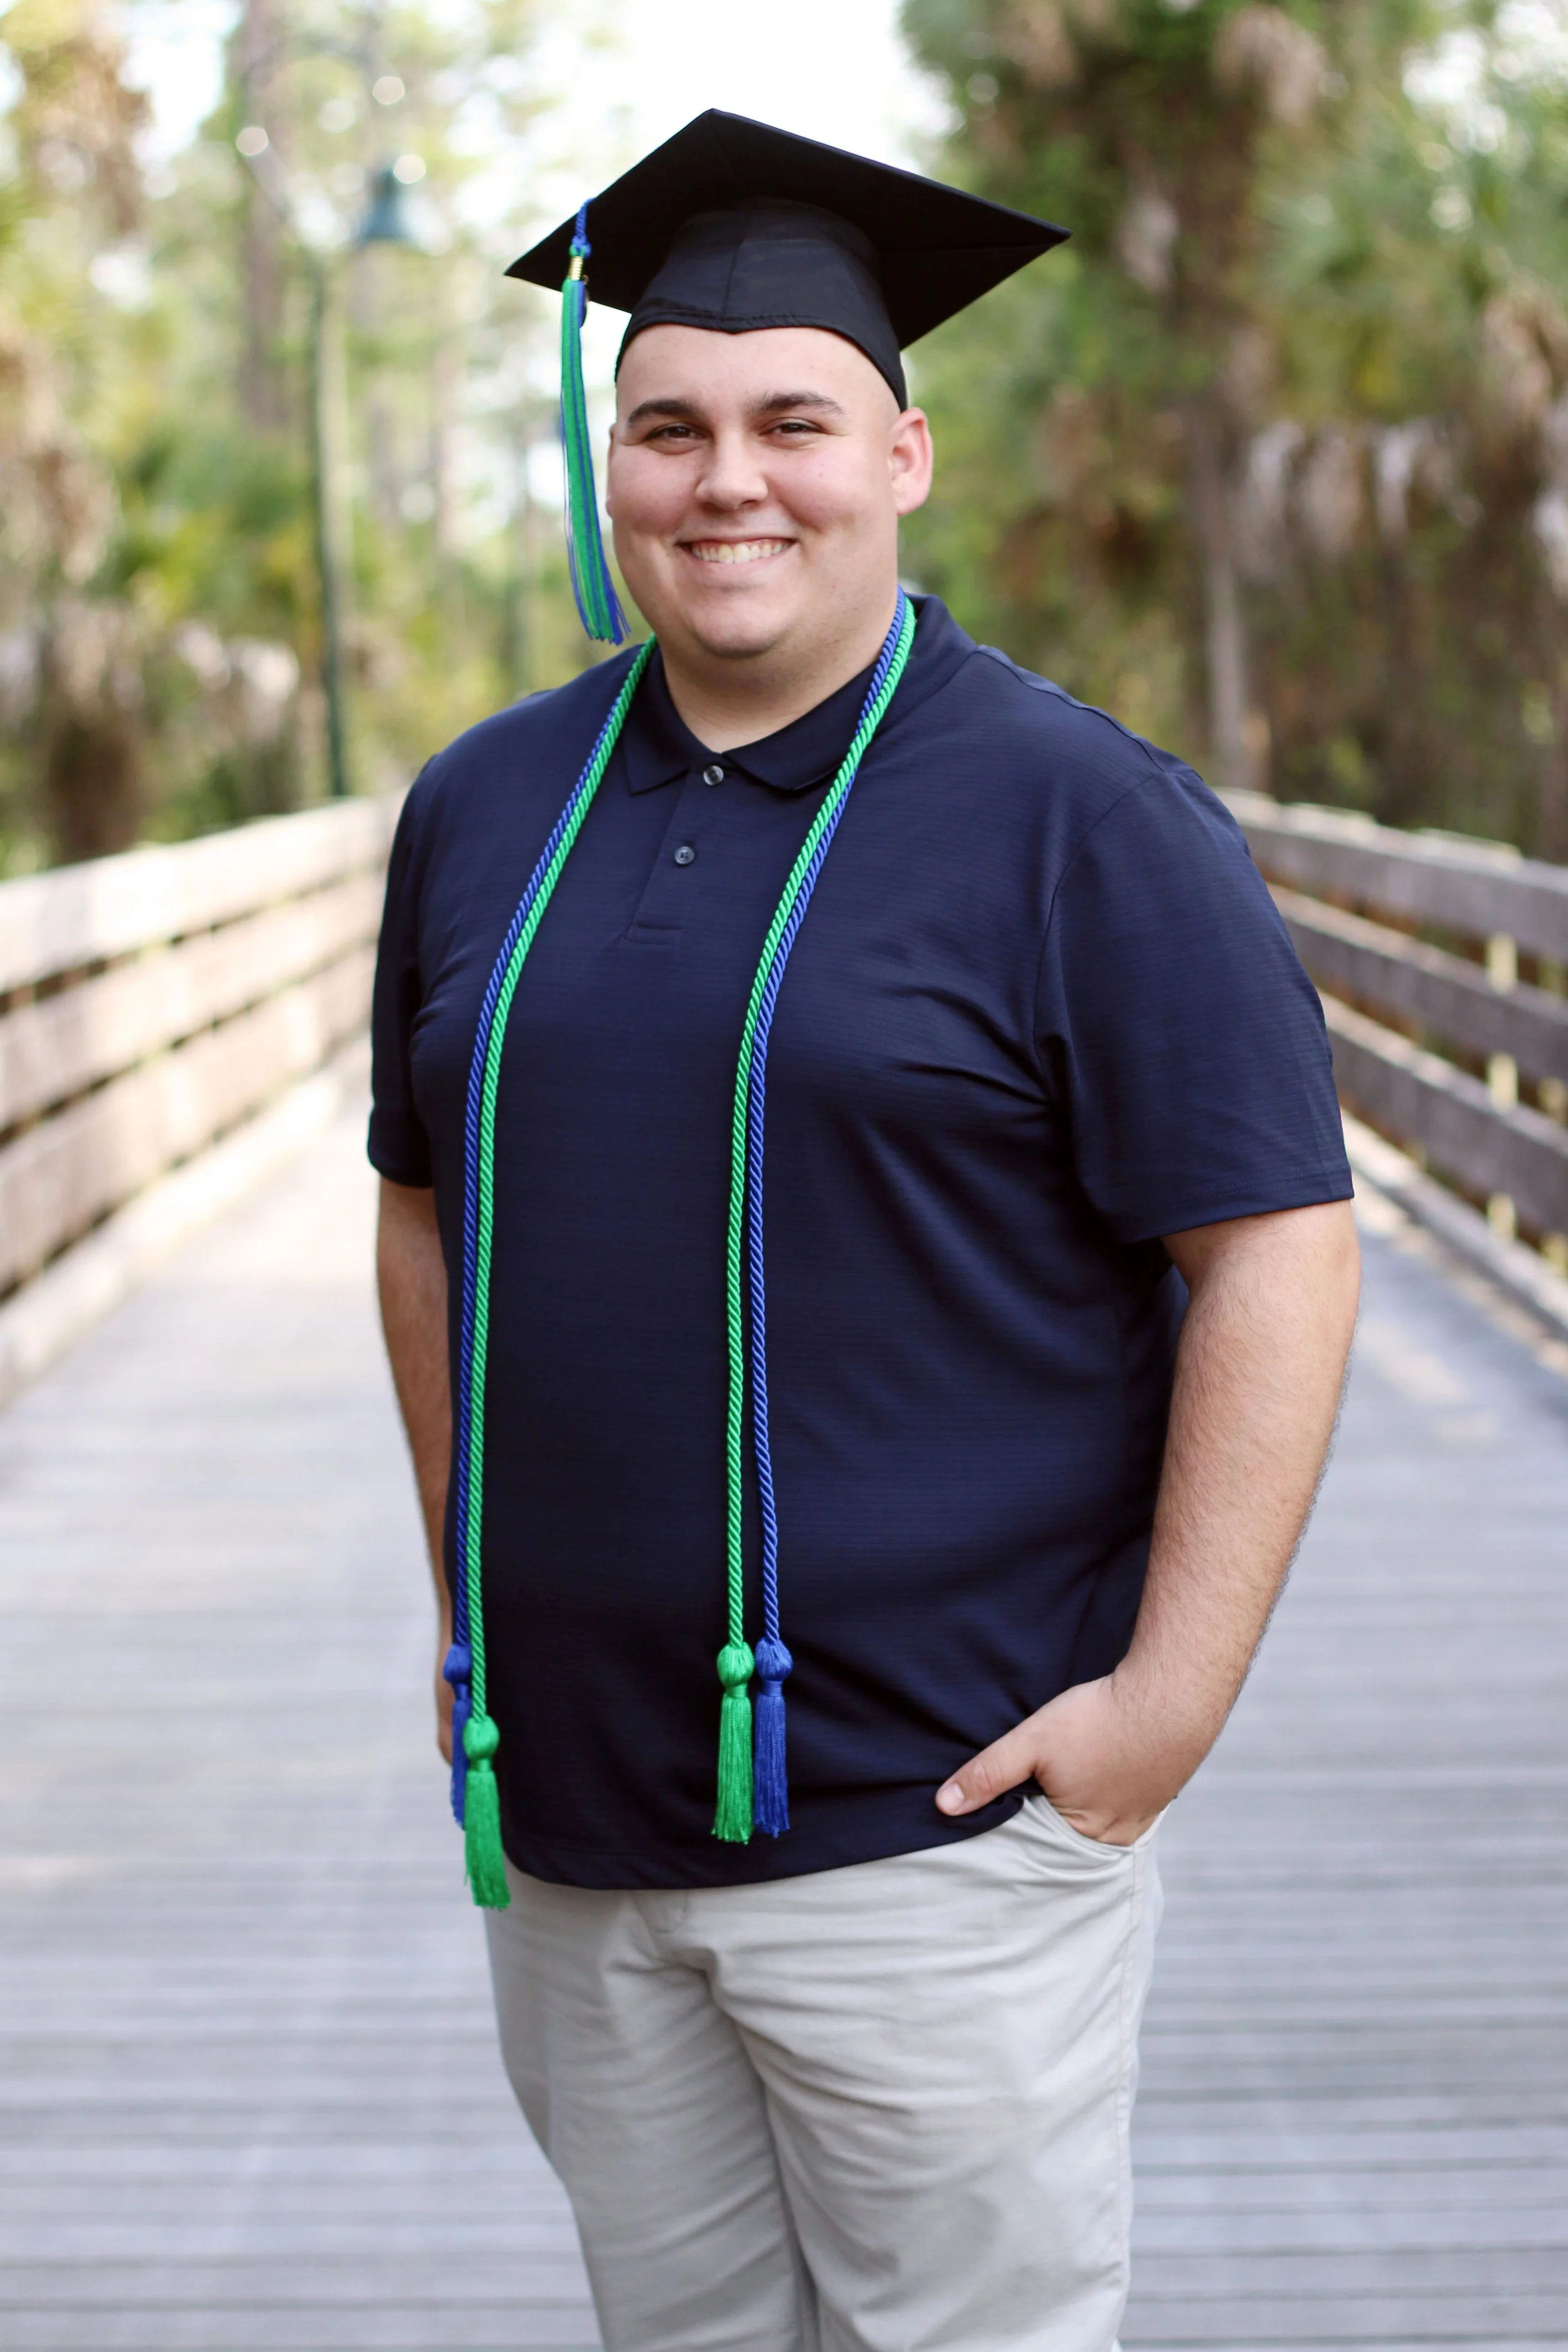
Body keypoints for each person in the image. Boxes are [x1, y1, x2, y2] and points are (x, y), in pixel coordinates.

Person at [371, 109, 1360, 2352]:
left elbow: (1276, 1249)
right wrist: (465, 1603)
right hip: (570, 1825)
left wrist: (1167, 1702)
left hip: (941, 1828)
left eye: (791, 422)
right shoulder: (484, 804)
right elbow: (423, 1216)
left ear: (901, 454)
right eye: (668, 428)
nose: (727, 479)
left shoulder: (1082, 818)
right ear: (608, 466)